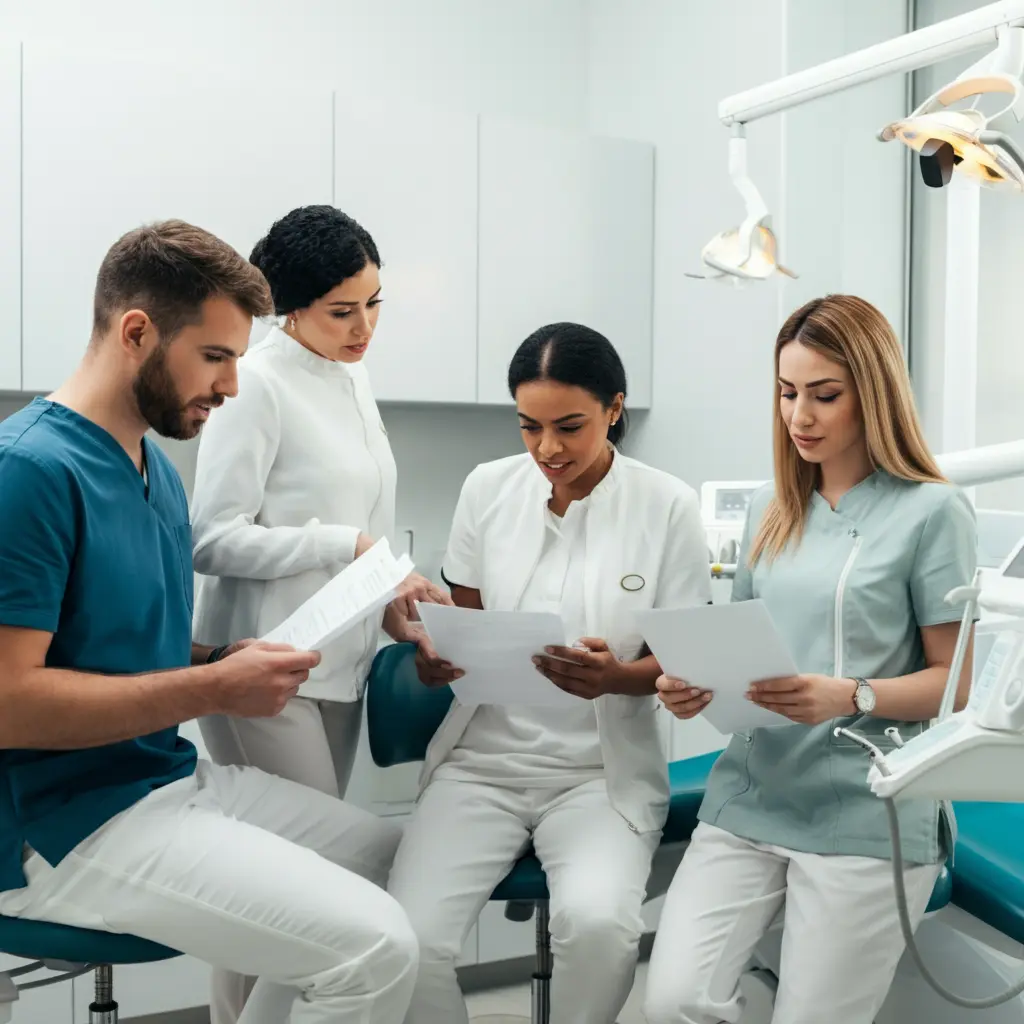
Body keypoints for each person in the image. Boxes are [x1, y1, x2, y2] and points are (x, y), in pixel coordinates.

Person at [0, 221, 418, 1024]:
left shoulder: (152, 467)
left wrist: (223, 656)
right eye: (217, 357)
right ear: (136, 333)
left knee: (410, 864)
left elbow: (116, 649)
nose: (232, 386)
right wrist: (212, 685)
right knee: (377, 948)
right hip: (63, 824)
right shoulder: (31, 472)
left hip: (164, 783)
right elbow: (12, 700)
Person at [645, 294, 977, 1024]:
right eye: (787, 393)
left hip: (870, 806)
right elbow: (741, 645)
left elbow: (957, 687)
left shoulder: (931, 513)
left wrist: (850, 695)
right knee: (672, 1003)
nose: (800, 416)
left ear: (874, 394)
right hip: (753, 793)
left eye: (825, 395)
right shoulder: (772, 507)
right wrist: (692, 687)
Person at [387, 322, 712, 1024]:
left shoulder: (667, 505)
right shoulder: (487, 489)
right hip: (481, 763)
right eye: (529, 427)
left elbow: (683, 659)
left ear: (614, 409)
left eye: (570, 426)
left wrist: (617, 678)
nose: (547, 450)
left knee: (598, 928)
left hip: (599, 773)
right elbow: (460, 626)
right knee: (404, 942)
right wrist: (435, 656)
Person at [191, 205, 447, 1024]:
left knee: (268, 882)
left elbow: (361, 527)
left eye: (375, 304)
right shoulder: (255, 384)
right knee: (316, 884)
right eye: (343, 311)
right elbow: (212, 538)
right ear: (288, 307)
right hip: (265, 663)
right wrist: (347, 543)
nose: (364, 326)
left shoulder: (350, 375)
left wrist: (390, 610)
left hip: (341, 664)